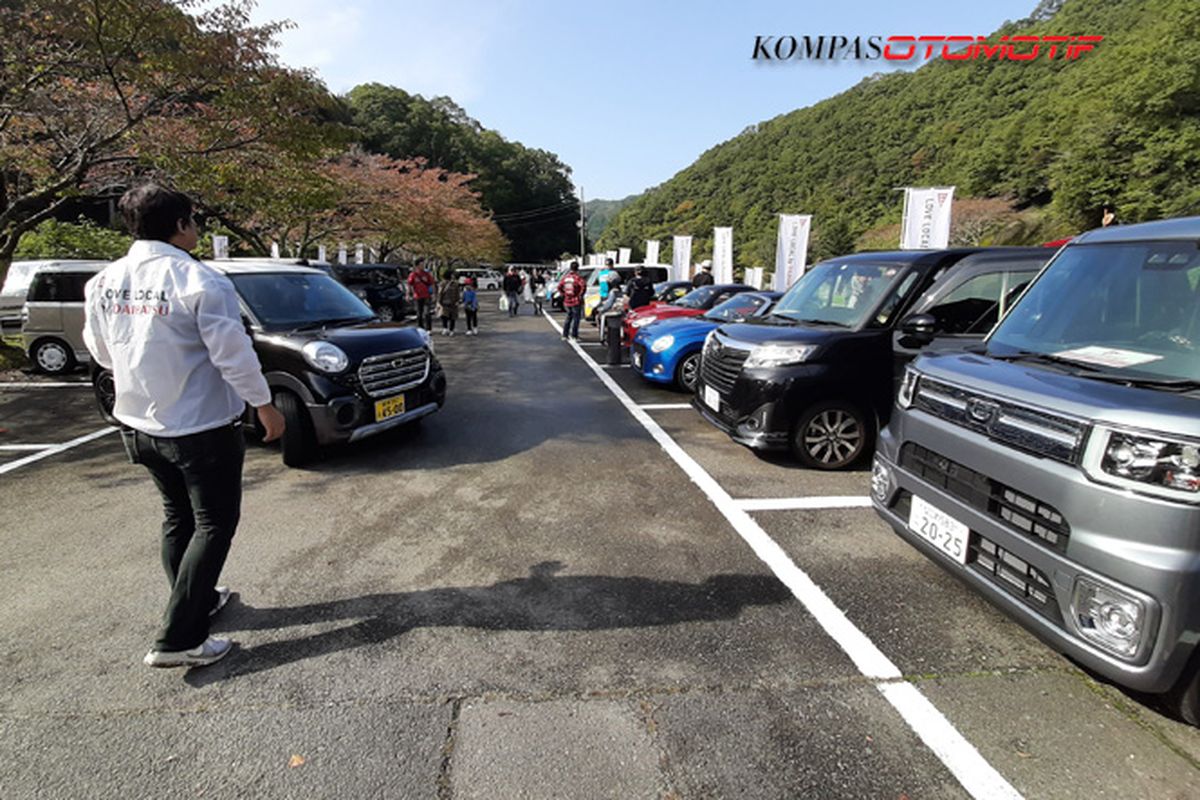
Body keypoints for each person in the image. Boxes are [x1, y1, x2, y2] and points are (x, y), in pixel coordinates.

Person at [82, 183, 286, 669]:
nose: (196, 229)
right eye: (193, 221)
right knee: (214, 523)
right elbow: (232, 355)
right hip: (199, 425)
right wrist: (264, 405)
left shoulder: (104, 281)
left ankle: (199, 599)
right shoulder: (199, 280)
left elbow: (101, 352)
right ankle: (179, 639)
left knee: (179, 517)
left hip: (138, 422)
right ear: (180, 225)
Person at [558, 261, 587, 341]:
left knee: (568, 317)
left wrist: (563, 294)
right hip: (575, 300)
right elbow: (583, 286)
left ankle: (565, 335)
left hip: (567, 300)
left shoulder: (565, 277)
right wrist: (580, 295)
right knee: (576, 318)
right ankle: (574, 335)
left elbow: (559, 286)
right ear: (577, 268)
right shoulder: (577, 278)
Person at [407, 259, 435, 330]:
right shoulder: (413, 275)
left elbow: (432, 284)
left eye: (423, 264)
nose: (423, 266)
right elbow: (409, 285)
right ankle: (420, 328)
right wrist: (408, 294)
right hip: (417, 296)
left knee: (427, 313)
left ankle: (429, 329)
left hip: (427, 296)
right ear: (417, 266)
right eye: (421, 264)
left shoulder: (427, 274)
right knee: (419, 314)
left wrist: (433, 294)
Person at [436, 266, 462, 336]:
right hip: (444, 303)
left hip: (453, 303)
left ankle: (451, 330)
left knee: (452, 317)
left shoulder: (455, 284)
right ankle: (445, 328)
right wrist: (438, 302)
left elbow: (457, 293)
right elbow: (440, 293)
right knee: (444, 316)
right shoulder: (442, 283)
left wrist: (458, 301)